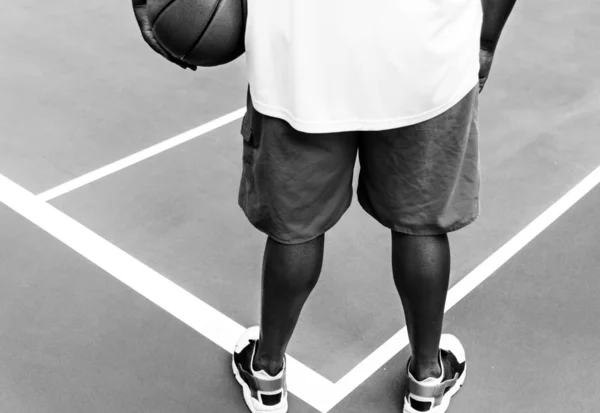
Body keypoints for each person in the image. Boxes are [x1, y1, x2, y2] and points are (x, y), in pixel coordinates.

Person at [133, 0, 517, 411]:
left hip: (299, 58)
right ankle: (426, 379)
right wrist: (486, 40)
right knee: (421, 223)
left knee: (296, 228)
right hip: (424, 51)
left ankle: (266, 371)